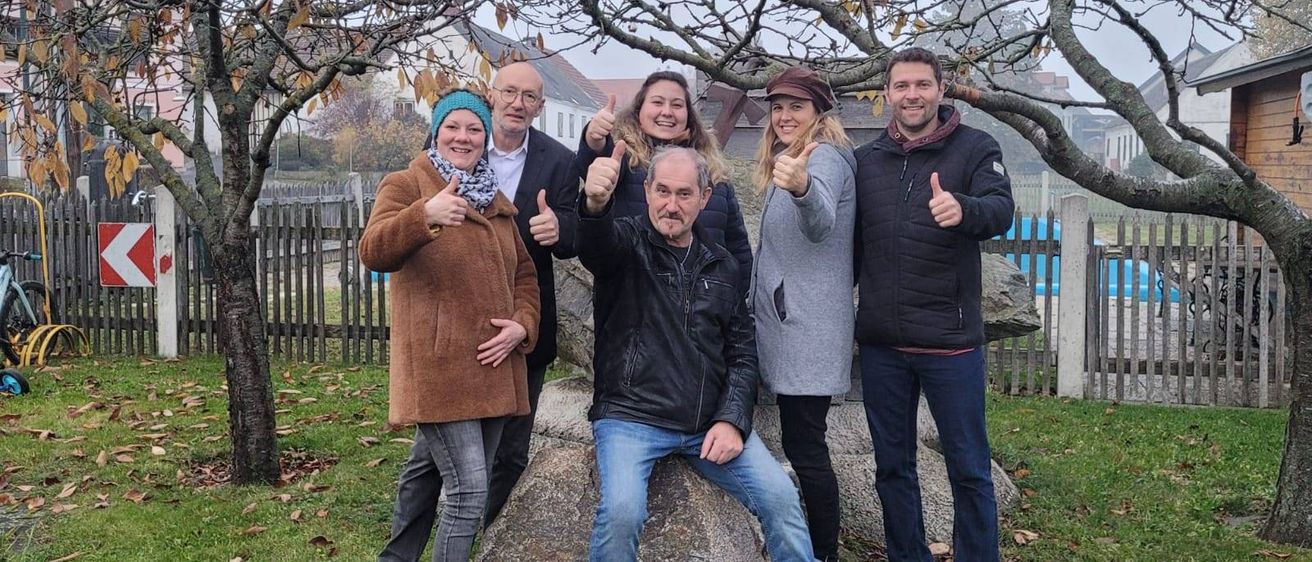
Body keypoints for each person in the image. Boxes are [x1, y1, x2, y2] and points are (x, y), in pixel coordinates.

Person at [578, 144, 816, 562]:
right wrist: (595, 204)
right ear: (647, 191)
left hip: (706, 424)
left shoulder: (723, 265)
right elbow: (595, 245)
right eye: (663, 191)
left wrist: (732, 420)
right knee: (622, 513)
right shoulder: (625, 244)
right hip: (630, 417)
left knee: (782, 498)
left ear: (705, 198)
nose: (671, 205)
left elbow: (742, 354)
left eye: (684, 194)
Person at [361, 89, 541, 562]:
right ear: (436, 132)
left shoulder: (494, 198)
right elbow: (373, 250)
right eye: (453, 127)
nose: (464, 137)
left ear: (485, 137)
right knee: (468, 493)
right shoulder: (406, 185)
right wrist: (423, 216)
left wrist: (522, 325)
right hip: (441, 369)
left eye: (474, 129)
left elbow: (524, 275)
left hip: (494, 366)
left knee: (436, 472)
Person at [853, 48, 1015, 562]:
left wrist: (963, 209)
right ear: (887, 93)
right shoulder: (866, 160)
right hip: (882, 344)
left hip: (950, 344)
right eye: (901, 86)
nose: (912, 95)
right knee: (892, 468)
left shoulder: (975, 148)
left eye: (922, 84)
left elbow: (1001, 209)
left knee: (968, 469)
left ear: (941, 89)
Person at [749, 65, 857, 562]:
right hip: (789, 326)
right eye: (778, 107)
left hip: (806, 330)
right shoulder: (788, 155)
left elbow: (820, 222)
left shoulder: (823, 157)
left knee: (807, 449)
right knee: (802, 445)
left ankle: (823, 553)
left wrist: (802, 188)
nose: (785, 115)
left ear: (819, 112)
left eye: (797, 106)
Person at [480, 62, 580, 527]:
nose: (517, 103)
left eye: (529, 97)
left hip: (528, 319)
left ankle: (489, 534)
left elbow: (573, 236)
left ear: (540, 107)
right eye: (510, 92)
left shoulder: (559, 161)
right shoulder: (460, 142)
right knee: (444, 445)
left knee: (512, 447)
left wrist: (560, 229)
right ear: (492, 95)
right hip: (463, 315)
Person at [573, 70, 752, 290]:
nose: (667, 112)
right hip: (636, 299)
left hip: (706, 303)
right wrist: (594, 139)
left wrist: (742, 300)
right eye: (657, 102)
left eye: (677, 105)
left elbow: (738, 249)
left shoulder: (714, 173)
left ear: (688, 114)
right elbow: (596, 170)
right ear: (639, 109)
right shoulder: (624, 161)